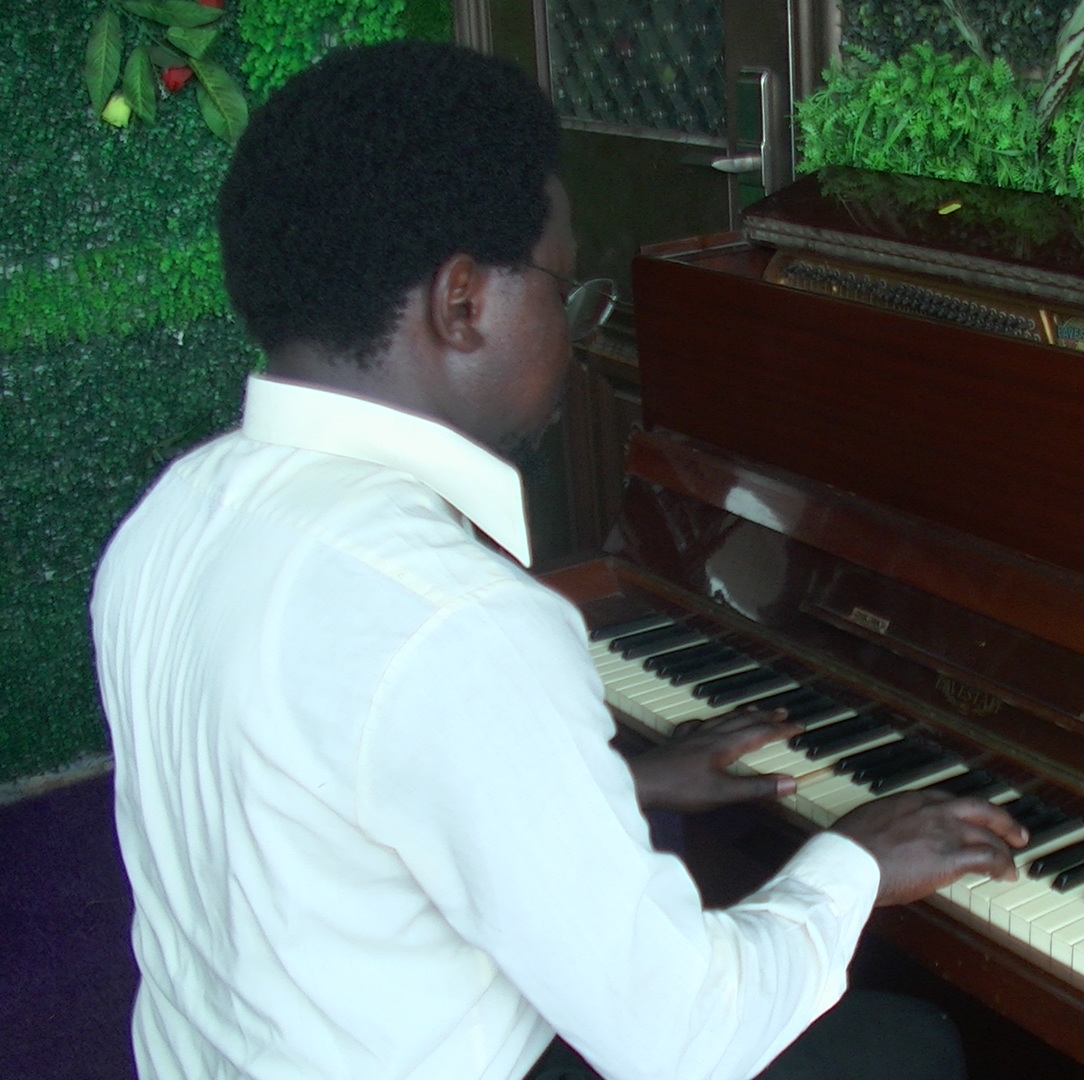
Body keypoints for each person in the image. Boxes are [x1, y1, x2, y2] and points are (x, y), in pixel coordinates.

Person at [90, 40, 1027, 1080]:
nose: (575, 339)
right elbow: (686, 1039)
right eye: (566, 293)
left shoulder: (170, 517)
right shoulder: (457, 618)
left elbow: (334, 804)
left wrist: (615, 784)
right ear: (462, 304)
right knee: (907, 1045)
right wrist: (853, 862)